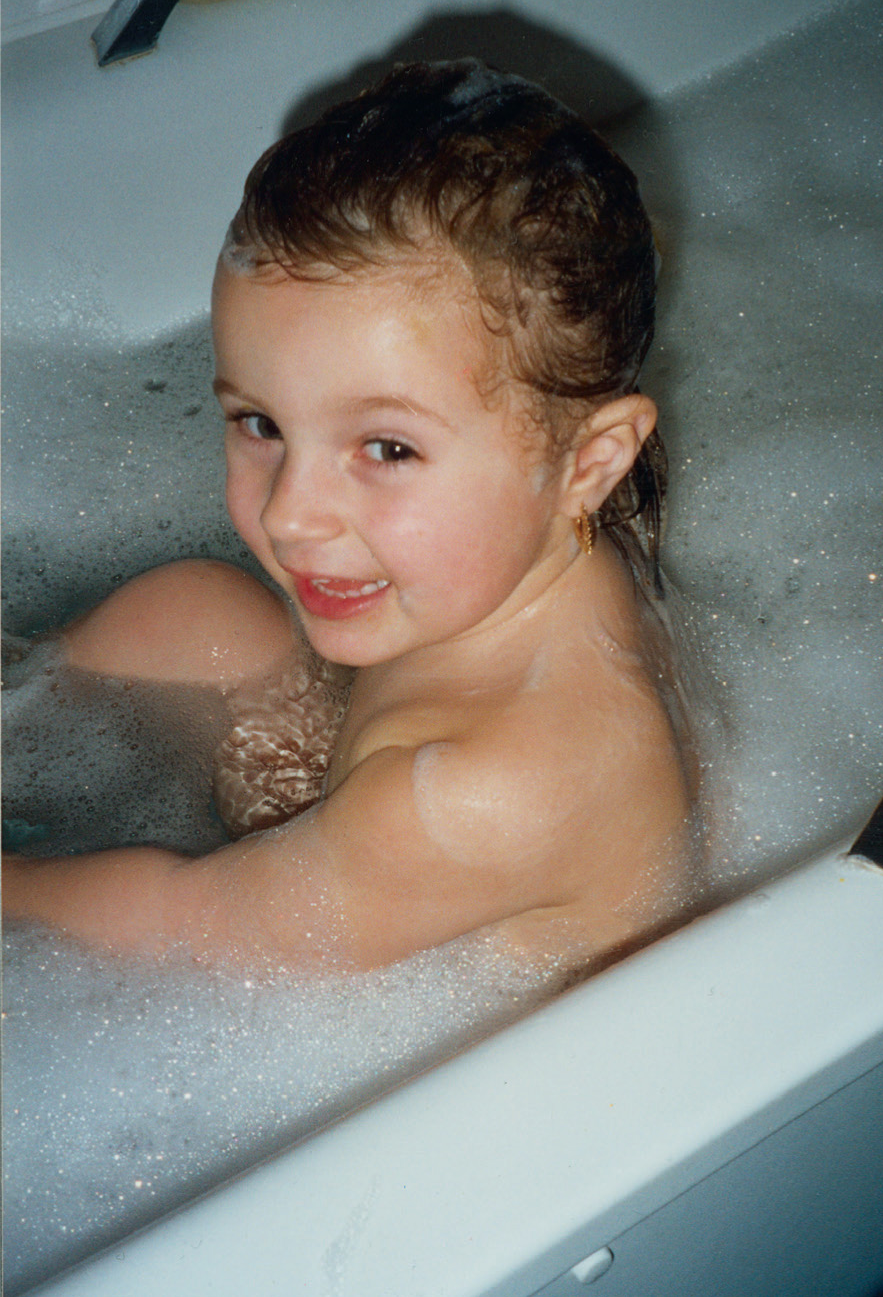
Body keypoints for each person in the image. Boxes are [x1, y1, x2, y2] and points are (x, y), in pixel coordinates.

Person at [2, 60, 695, 978]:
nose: (289, 515)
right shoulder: (532, 536)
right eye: (260, 424)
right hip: (375, 826)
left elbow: (185, 920)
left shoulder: (497, 793)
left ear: (592, 462)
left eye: (388, 449)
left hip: (435, 995)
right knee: (195, 610)